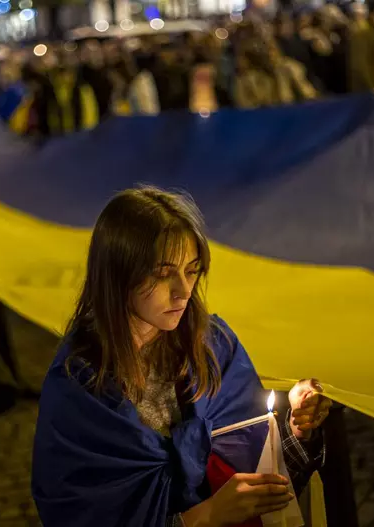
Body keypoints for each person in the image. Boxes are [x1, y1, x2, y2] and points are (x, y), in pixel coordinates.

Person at [32, 186, 332, 527]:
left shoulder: (214, 348)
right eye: (163, 274)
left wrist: (294, 430)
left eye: (191, 271)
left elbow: (264, 480)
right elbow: (81, 514)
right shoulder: (80, 386)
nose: (184, 290)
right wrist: (204, 517)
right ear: (118, 274)